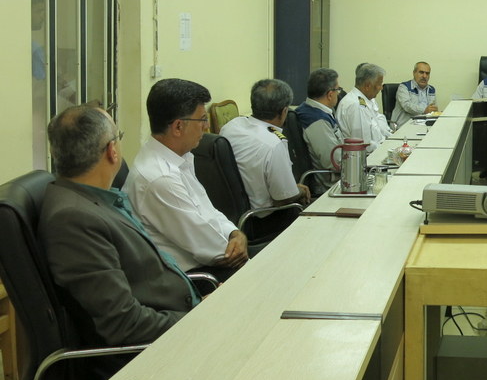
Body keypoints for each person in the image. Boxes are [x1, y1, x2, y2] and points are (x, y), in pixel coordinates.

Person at [39, 105, 200, 350]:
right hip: (158, 348)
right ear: (112, 151)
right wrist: (199, 319)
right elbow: (125, 324)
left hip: (178, 316)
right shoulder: (74, 219)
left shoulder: (92, 198)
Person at [124, 79, 249, 282]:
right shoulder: (160, 178)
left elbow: (208, 212)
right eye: (202, 119)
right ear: (178, 127)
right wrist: (236, 243)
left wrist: (235, 233)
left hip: (209, 262)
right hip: (196, 279)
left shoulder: (179, 157)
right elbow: (216, 252)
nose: (206, 127)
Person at [220, 79, 311, 237]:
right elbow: (283, 199)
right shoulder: (274, 143)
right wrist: (300, 191)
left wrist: (291, 187)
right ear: (284, 111)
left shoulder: (230, 127)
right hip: (263, 221)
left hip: (231, 219)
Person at [295, 67, 344, 196]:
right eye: (338, 89)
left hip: (337, 178)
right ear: (330, 94)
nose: (339, 93)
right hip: (331, 186)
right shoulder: (317, 120)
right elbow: (334, 161)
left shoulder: (313, 110)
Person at [335, 63, 392, 154]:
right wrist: (388, 148)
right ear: (367, 86)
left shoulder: (364, 100)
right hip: (368, 157)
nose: (381, 88)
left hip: (377, 149)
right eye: (379, 84)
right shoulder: (357, 105)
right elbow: (364, 145)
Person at [392, 61, 438, 126]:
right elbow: (406, 106)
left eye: (427, 73)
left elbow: (432, 110)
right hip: (405, 125)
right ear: (414, 73)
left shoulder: (431, 89)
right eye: (421, 72)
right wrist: (424, 110)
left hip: (424, 125)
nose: (424, 76)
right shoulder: (404, 87)